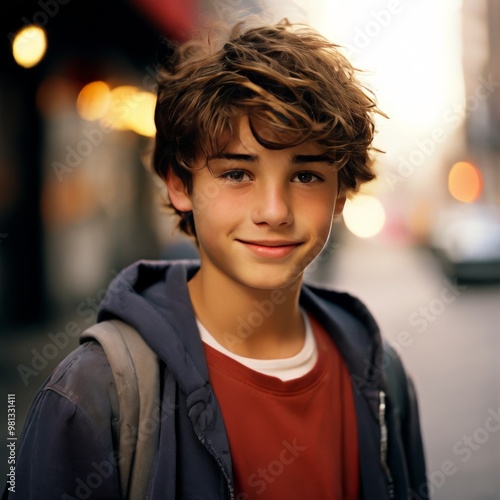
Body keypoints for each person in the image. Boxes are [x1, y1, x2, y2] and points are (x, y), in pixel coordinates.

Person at [4, 20, 428, 500]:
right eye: (236, 173)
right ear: (180, 185)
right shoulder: (93, 392)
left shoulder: (381, 376)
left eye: (306, 175)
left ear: (340, 195)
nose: (274, 211)